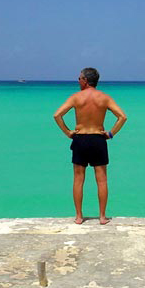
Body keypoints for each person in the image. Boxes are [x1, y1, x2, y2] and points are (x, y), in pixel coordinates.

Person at [53, 68, 127, 225]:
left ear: (85, 80)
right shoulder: (104, 98)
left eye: (79, 78)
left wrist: (67, 132)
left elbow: (57, 115)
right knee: (101, 180)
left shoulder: (76, 97)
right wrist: (111, 133)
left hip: (80, 139)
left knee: (78, 179)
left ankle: (79, 217)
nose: (78, 80)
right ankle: (102, 217)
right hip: (98, 139)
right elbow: (122, 117)